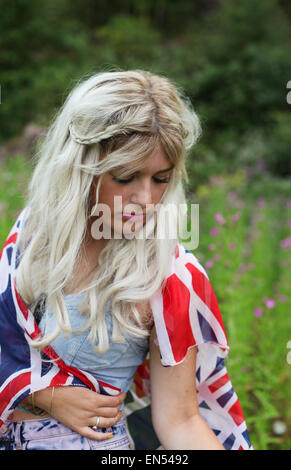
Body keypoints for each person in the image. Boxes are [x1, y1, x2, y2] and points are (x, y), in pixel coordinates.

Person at [0, 69, 252, 450]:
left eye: (161, 178)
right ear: (81, 166)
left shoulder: (169, 276)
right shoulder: (32, 236)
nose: (146, 199)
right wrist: (42, 395)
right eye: (126, 176)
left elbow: (180, 419)